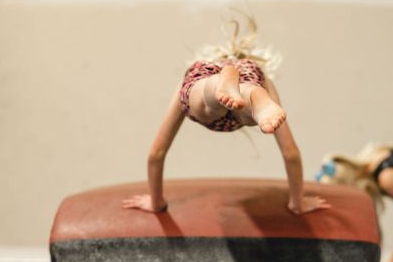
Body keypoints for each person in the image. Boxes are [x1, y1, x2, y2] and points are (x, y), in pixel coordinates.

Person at [122, 16, 329, 216]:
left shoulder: (197, 72)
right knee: (247, 111)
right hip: (250, 79)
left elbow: (156, 153)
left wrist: (156, 202)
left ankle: (216, 85)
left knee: (203, 102)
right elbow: (290, 153)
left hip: (207, 79)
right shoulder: (260, 75)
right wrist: (297, 202)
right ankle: (253, 97)